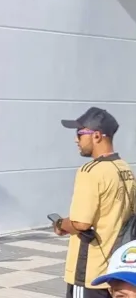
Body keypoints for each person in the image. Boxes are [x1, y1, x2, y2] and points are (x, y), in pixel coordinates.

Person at [54, 107, 135, 298]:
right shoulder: (125, 169)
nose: (76, 140)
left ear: (97, 136)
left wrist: (60, 224)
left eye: (79, 134)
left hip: (90, 272)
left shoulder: (90, 171)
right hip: (115, 272)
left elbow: (81, 223)